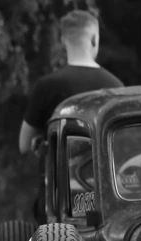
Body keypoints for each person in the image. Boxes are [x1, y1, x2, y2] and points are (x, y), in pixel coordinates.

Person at [19, 9, 123, 222]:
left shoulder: (46, 86)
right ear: (94, 39)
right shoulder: (115, 87)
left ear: (63, 40)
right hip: (107, 199)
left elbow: (23, 144)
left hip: (59, 200)